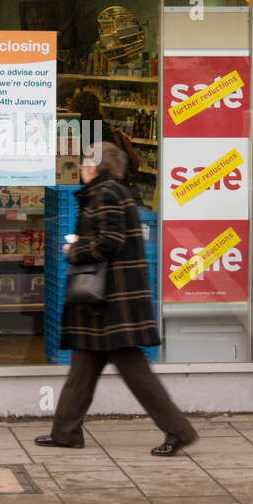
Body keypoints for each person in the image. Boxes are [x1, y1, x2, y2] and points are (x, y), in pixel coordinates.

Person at [36, 142, 198, 456]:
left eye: (85, 163)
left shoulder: (107, 193)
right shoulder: (109, 192)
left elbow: (110, 242)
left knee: (135, 372)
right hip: (104, 301)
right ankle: (66, 431)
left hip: (111, 301)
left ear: (96, 167)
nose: (81, 168)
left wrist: (75, 250)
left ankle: (179, 431)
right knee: (83, 368)